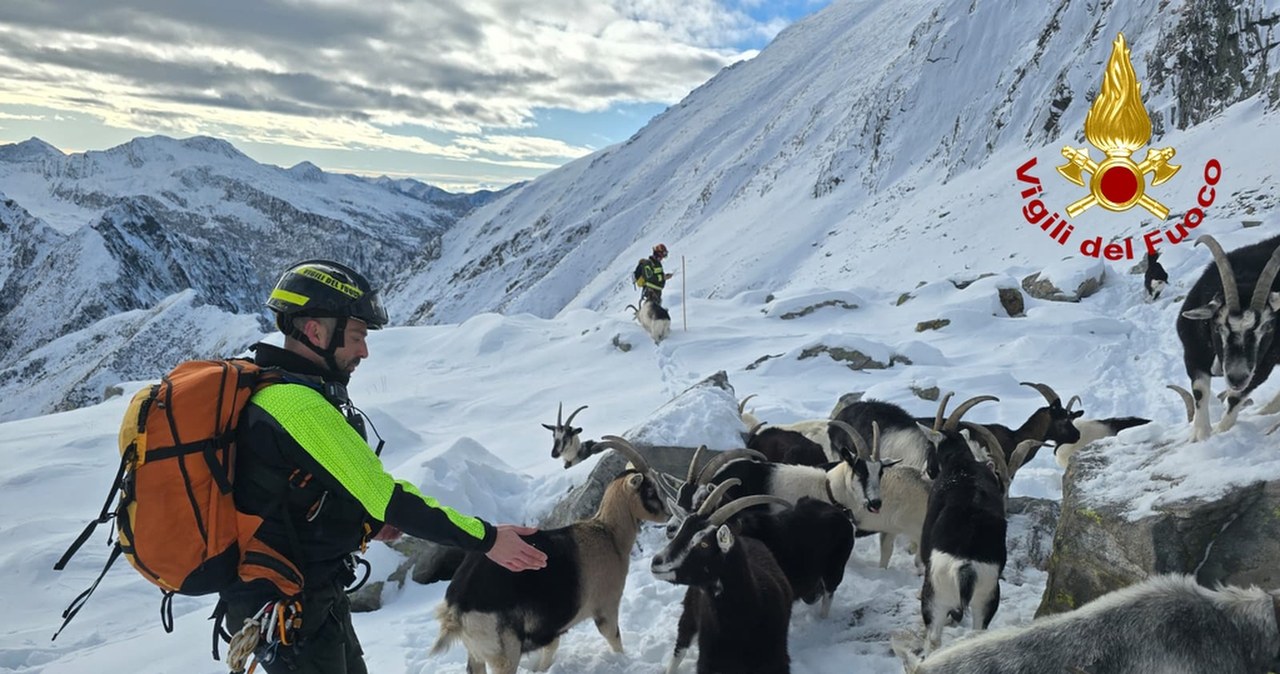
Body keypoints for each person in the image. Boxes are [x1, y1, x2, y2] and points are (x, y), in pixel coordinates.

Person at [217, 260, 547, 674]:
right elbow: (386, 497)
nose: (364, 351)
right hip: (288, 605)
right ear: (316, 331)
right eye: (356, 336)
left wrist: (367, 523)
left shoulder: (291, 392)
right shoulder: (297, 407)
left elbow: (302, 490)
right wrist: (487, 538)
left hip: (308, 595)